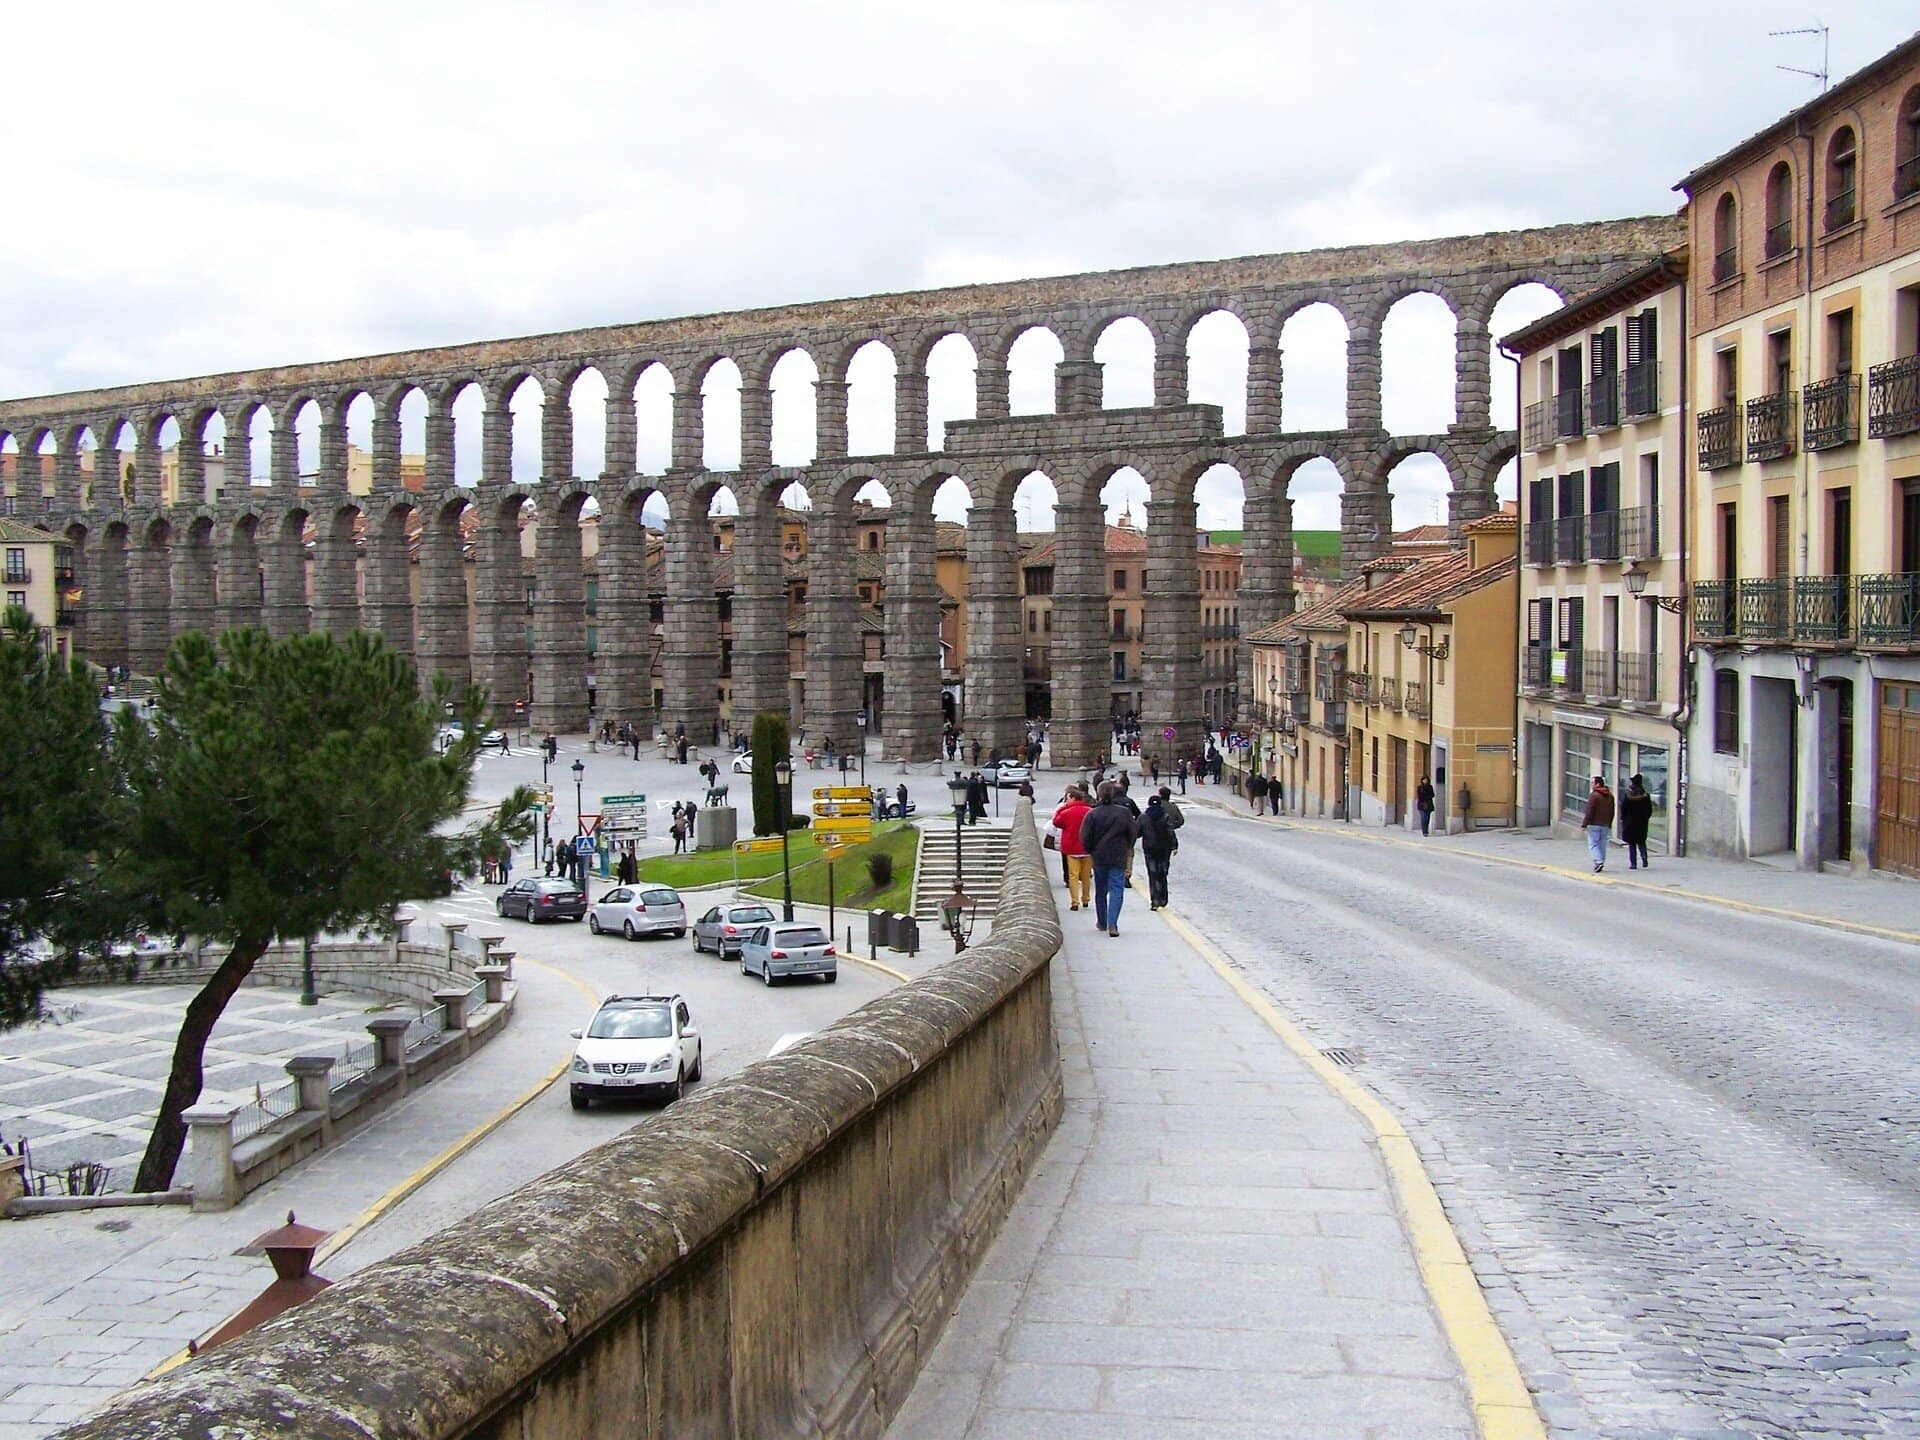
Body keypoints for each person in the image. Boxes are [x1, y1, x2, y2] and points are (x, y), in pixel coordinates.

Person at [1078, 784, 1142, 937]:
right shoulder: (1124, 813)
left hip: (1099, 856)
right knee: (1116, 889)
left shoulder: (1093, 814)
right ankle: (1113, 924)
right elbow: (1133, 833)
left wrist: (1090, 850)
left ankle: (1102, 921)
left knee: (1101, 889)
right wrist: (1127, 847)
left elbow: (1084, 836)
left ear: (1099, 795)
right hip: (1118, 854)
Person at [1052, 786, 1093, 911]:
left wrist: (1064, 807)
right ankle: (1086, 898)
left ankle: (1075, 901)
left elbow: (1056, 822)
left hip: (1071, 847)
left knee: (1073, 876)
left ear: (1073, 798)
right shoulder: (1089, 811)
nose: (1066, 801)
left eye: (1068, 798)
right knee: (1086, 876)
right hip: (1087, 847)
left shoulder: (1066, 812)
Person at [1141, 792, 1179, 910]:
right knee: (1162, 873)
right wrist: (1174, 845)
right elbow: (1170, 832)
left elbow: (1137, 831)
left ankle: (1154, 901)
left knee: (1152, 874)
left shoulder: (1144, 817)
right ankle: (1163, 898)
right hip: (1164, 848)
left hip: (1149, 848)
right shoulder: (1165, 816)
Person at [1582, 775, 1615, 873]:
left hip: (1594, 823)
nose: (1591, 785)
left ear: (1598, 784)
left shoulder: (1594, 795)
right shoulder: (1610, 796)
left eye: (1593, 783)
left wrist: (1584, 823)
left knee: (1593, 844)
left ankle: (1598, 860)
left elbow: (1589, 810)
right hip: (1605, 824)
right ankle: (1601, 861)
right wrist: (1609, 823)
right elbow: (1612, 811)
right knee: (1602, 844)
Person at [1620, 773, 1653, 870]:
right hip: (1642, 822)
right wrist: (1645, 817)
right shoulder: (1645, 795)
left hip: (1630, 822)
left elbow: (1623, 808)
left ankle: (1633, 863)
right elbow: (1649, 809)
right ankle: (1644, 858)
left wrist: (1623, 819)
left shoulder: (1628, 795)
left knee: (1632, 844)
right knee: (1641, 842)